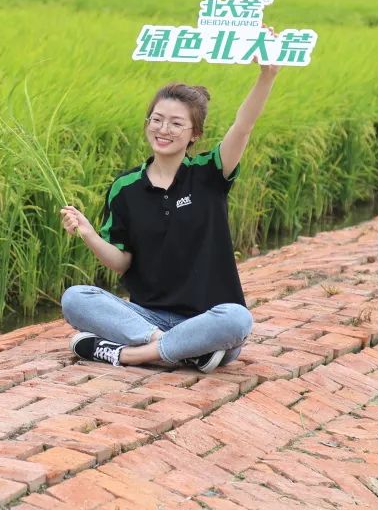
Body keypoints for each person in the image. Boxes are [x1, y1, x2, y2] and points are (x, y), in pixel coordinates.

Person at [59, 62, 279, 372]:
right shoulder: (126, 188)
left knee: (238, 320)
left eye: (176, 123)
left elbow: (243, 126)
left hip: (208, 319)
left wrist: (267, 75)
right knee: (75, 298)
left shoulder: (209, 173)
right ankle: (184, 350)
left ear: (195, 134)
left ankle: (128, 355)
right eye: (157, 120)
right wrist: (89, 234)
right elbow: (122, 262)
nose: (163, 130)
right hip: (146, 317)